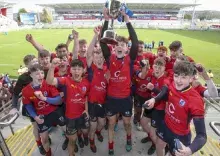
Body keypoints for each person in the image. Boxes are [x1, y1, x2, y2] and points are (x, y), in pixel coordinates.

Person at [144, 61, 207, 156]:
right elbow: (167, 96)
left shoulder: (195, 100)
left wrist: (190, 150)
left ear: (191, 79)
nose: (178, 81)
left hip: (180, 135)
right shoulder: (173, 84)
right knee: (159, 145)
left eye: (183, 77)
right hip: (165, 125)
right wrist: (154, 100)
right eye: (176, 76)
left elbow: (202, 135)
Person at [100, 8, 138, 155]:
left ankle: (129, 138)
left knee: (127, 123)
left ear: (127, 49)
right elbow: (102, 43)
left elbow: (134, 42)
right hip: (111, 99)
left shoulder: (130, 59)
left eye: (123, 44)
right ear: (114, 47)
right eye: (117, 45)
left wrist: (127, 20)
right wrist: (107, 19)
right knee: (111, 123)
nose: (119, 46)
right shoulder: (110, 58)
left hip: (126, 99)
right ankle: (111, 146)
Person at [46, 59, 90, 156]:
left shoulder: (86, 83)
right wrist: (52, 66)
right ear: (70, 70)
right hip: (70, 117)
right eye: (74, 69)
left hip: (82, 115)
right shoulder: (66, 80)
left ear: (83, 70)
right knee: (72, 140)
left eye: (79, 69)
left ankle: (84, 137)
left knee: (85, 131)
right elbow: (49, 81)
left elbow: (85, 96)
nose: (76, 71)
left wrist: (86, 110)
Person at [22, 64, 65, 156]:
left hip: (54, 111)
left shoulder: (48, 84)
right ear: (31, 75)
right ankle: (48, 153)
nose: (41, 75)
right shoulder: (26, 90)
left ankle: (68, 141)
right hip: (41, 115)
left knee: (66, 130)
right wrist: (35, 117)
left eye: (42, 73)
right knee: (44, 139)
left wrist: (44, 98)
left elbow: (59, 101)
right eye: (37, 74)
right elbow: (28, 105)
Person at [86, 26, 108, 153]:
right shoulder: (91, 69)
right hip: (92, 104)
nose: (98, 58)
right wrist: (96, 35)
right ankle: (92, 141)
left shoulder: (107, 70)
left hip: (103, 103)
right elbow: (89, 52)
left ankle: (99, 132)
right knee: (93, 126)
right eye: (96, 56)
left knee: (102, 123)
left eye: (101, 57)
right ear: (93, 58)